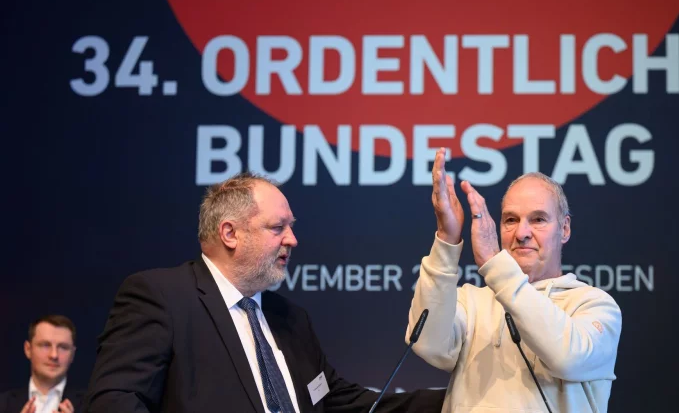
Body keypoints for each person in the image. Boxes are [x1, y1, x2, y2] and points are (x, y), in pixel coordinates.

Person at [85, 172, 444, 413]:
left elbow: (338, 402)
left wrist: (459, 401)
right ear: (230, 234)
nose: (293, 239)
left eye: (291, 227)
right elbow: (114, 401)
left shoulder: (290, 319)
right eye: (278, 227)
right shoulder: (162, 297)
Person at [406, 148, 622, 412]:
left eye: (538, 219)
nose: (522, 233)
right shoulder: (471, 302)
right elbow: (427, 344)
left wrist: (496, 266)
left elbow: (567, 358)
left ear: (564, 228)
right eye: (511, 220)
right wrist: (447, 239)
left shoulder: (594, 305)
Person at [0, 315, 83, 413]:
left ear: (73, 354)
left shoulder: (92, 405)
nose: (54, 355)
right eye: (45, 345)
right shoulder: (3, 404)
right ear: (28, 349)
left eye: (63, 347)